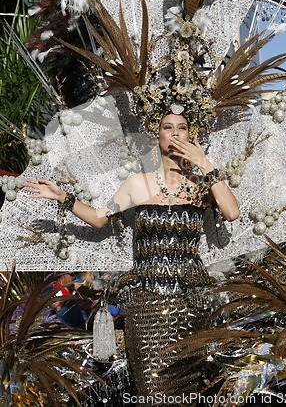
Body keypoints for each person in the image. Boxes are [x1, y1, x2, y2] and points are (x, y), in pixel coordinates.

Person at [24, 111, 239, 402]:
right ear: (157, 136)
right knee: (151, 392)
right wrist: (64, 197)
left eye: (182, 128)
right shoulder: (137, 184)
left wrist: (204, 163)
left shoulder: (202, 187)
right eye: (167, 127)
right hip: (146, 308)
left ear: (192, 136)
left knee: (187, 395)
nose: (175, 134)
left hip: (191, 305)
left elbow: (232, 212)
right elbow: (100, 219)